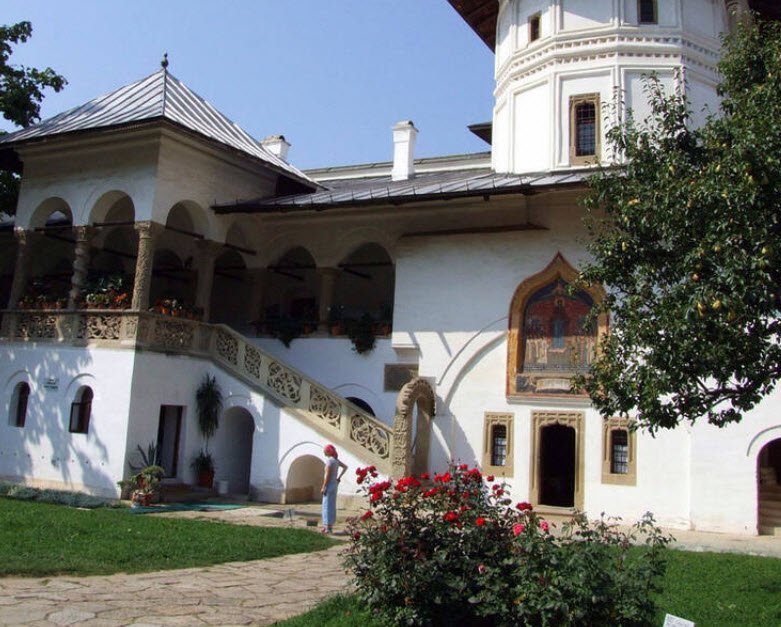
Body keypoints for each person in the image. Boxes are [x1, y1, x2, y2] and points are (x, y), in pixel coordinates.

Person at [321, 443, 347, 534]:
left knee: (326, 505)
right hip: (334, 485)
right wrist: (339, 477)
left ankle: (327, 527)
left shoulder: (329, 461)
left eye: (325, 451)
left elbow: (327, 475)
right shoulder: (335, 460)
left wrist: (323, 486)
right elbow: (345, 467)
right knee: (331, 505)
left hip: (329, 485)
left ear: (328, 452)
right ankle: (329, 526)